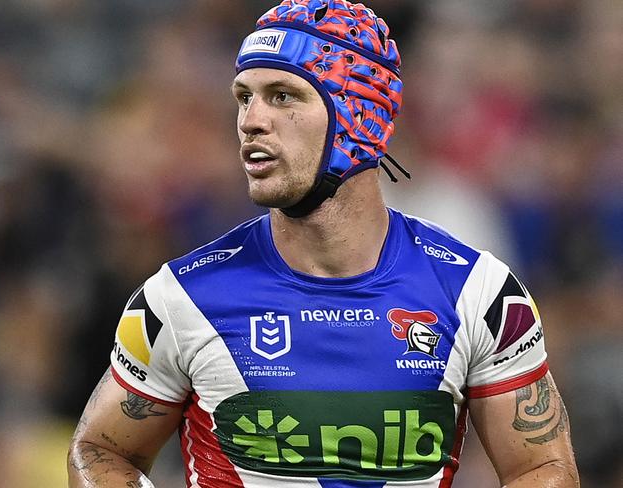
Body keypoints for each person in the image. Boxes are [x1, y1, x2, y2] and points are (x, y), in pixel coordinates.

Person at [68, 1, 579, 486]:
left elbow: (540, 467)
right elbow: (100, 450)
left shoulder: (479, 293)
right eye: (244, 96)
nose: (251, 121)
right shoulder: (181, 296)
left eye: (283, 96)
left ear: (358, 116)